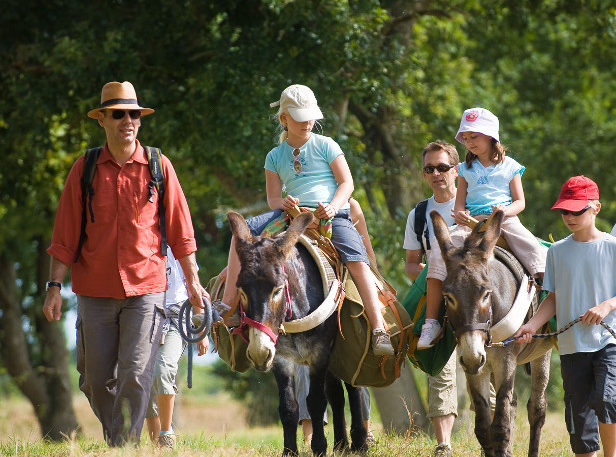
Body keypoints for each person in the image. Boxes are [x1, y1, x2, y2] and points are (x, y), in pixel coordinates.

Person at [42, 81, 208, 446]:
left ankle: (124, 448)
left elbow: (182, 231)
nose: (127, 121)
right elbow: (65, 235)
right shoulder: (84, 169)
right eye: (118, 114)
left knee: (136, 373)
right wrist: (54, 286)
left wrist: (193, 282)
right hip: (94, 290)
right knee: (95, 379)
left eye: (134, 114)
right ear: (102, 119)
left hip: (147, 288)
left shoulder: (158, 166)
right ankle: (120, 438)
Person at [215, 84, 394, 356]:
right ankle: (228, 304)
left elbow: (347, 183)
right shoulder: (274, 156)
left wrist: (333, 207)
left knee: (357, 262)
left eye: (311, 116)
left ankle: (380, 328)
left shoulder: (326, 145)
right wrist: (284, 203)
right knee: (242, 232)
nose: (308, 122)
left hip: (331, 213)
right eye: (300, 117)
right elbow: (273, 199)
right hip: (291, 216)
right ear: (284, 119)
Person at [418, 107, 547, 348]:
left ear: (491, 137)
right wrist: (462, 216)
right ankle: (432, 322)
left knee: (536, 252)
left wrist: (502, 212)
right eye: (465, 138)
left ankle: (547, 308)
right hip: (471, 225)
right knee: (437, 251)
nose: (468, 142)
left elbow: (520, 202)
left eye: (473, 137)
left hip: (504, 220)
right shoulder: (464, 169)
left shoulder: (510, 166)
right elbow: (459, 205)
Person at [514, 175, 616, 457]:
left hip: (608, 342)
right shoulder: (558, 251)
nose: (569, 216)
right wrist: (532, 325)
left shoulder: (612, 247)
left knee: (607, 400)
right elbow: (553, 298)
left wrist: (606, 306)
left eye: (576, 210)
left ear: (595, 208)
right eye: (564, 211)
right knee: (578, 417)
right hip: (572, 346)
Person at [403, 141, 461, 457]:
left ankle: (494, 436)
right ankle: (444, 445)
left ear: (456, 169)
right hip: (437, 300)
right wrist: (429, 278)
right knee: (438, 366)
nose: (436, 174)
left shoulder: (474, 204)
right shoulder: (419, 213)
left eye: (442, 167)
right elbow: (412, 263)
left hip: (475, 300)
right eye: (430, 169)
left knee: (488, 366)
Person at [146, 248, 209, 448]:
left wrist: (201, 329)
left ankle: (166, 434)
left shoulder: (178, 248)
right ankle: (156, 444)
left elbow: (194, 287)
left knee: (163, 369)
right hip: (143, 318)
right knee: (143, 379)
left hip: (175, 317)